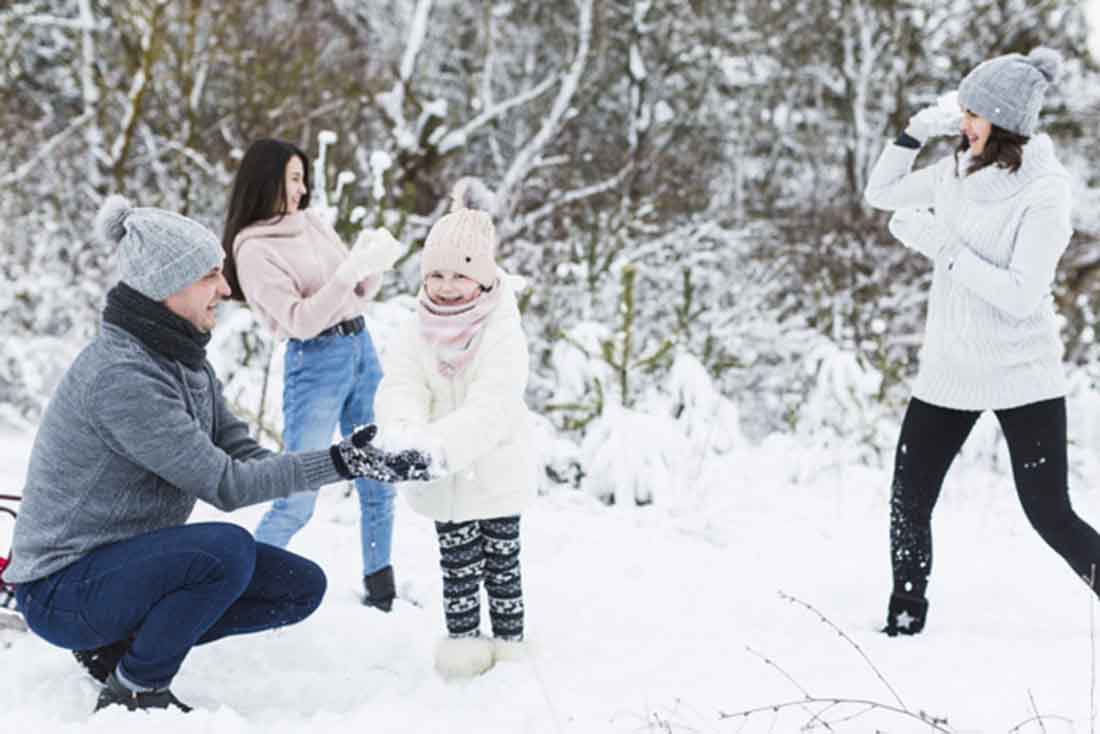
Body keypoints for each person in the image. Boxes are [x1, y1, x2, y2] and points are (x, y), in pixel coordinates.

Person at [0, 195, 428, 713]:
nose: (226, 290)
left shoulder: (185, 363)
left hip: (120, 567)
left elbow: (243, 453)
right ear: (165, 285)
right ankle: (136, 685)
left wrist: (352, 461)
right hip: (62, 589)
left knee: (298, 587)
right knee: (222, 552)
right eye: (210, 276)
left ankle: (113, 650)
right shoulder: (122, 377)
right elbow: (225, 485)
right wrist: (337, 462)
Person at [864, 47, 1100, 635]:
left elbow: (1021, 294)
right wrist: (913, 131)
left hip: (1023, 373)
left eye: (974, 113)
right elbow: (880, 194)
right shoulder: (954, 172)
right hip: (950, 369)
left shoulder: (1045, 192)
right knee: (908, 500)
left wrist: (938, 245)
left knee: (1049, 514)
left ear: (1006, 122)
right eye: (961, 109)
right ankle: (904, 616)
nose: (962, 122)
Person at [221, 139, 404, 611]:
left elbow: (357, 290)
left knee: (379, 473)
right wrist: (345, 279)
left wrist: (372, 265)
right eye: (293, 179)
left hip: (360, 347)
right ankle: (241, 588)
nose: (302, 190)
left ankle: (381, 590)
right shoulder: (254, 249)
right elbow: (300, 319)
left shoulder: (314, 224)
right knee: (298, 492)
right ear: (268, 182)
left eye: (304, 178)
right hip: (315, 361)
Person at [374, 178, 536, 678]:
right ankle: (463, 644)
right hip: (442, 478)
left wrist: (438, 447)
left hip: (494, 468)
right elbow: (401, 382)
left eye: (459, 275)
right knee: (458, 566)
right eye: (435, 274)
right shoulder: (417, 325)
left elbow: (494, 404)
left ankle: (510, 646)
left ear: (484, 278)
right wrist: (406, 434)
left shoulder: (501, 329)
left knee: (501, 565)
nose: (445, 286)